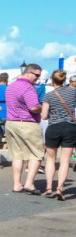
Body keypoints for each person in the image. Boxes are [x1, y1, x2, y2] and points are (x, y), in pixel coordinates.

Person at [5, 63, 44, 194]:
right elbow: (33, 107)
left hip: (11, 122)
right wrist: (43, 108)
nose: (37, 78)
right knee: (36, 154)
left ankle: (17, 184)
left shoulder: (11, 86)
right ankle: (29, 183)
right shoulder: (28, 88)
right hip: (27, 123)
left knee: (17, 155)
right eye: (36, 75)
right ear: (28, 73)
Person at [40, 69, 76, 201]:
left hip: (54, 127)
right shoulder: (73, 91)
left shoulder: (48, 95)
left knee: (50, 159)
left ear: (52, 80)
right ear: (64, 79)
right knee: (65, 160)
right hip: (70, 127)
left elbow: (44, 116)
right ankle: (60, 189)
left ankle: (49, 188)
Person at [0, 72, 9, 142]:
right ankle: (5, 147)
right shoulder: (8, 88)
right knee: (8, 134)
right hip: (7, 113)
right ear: (7, 79)